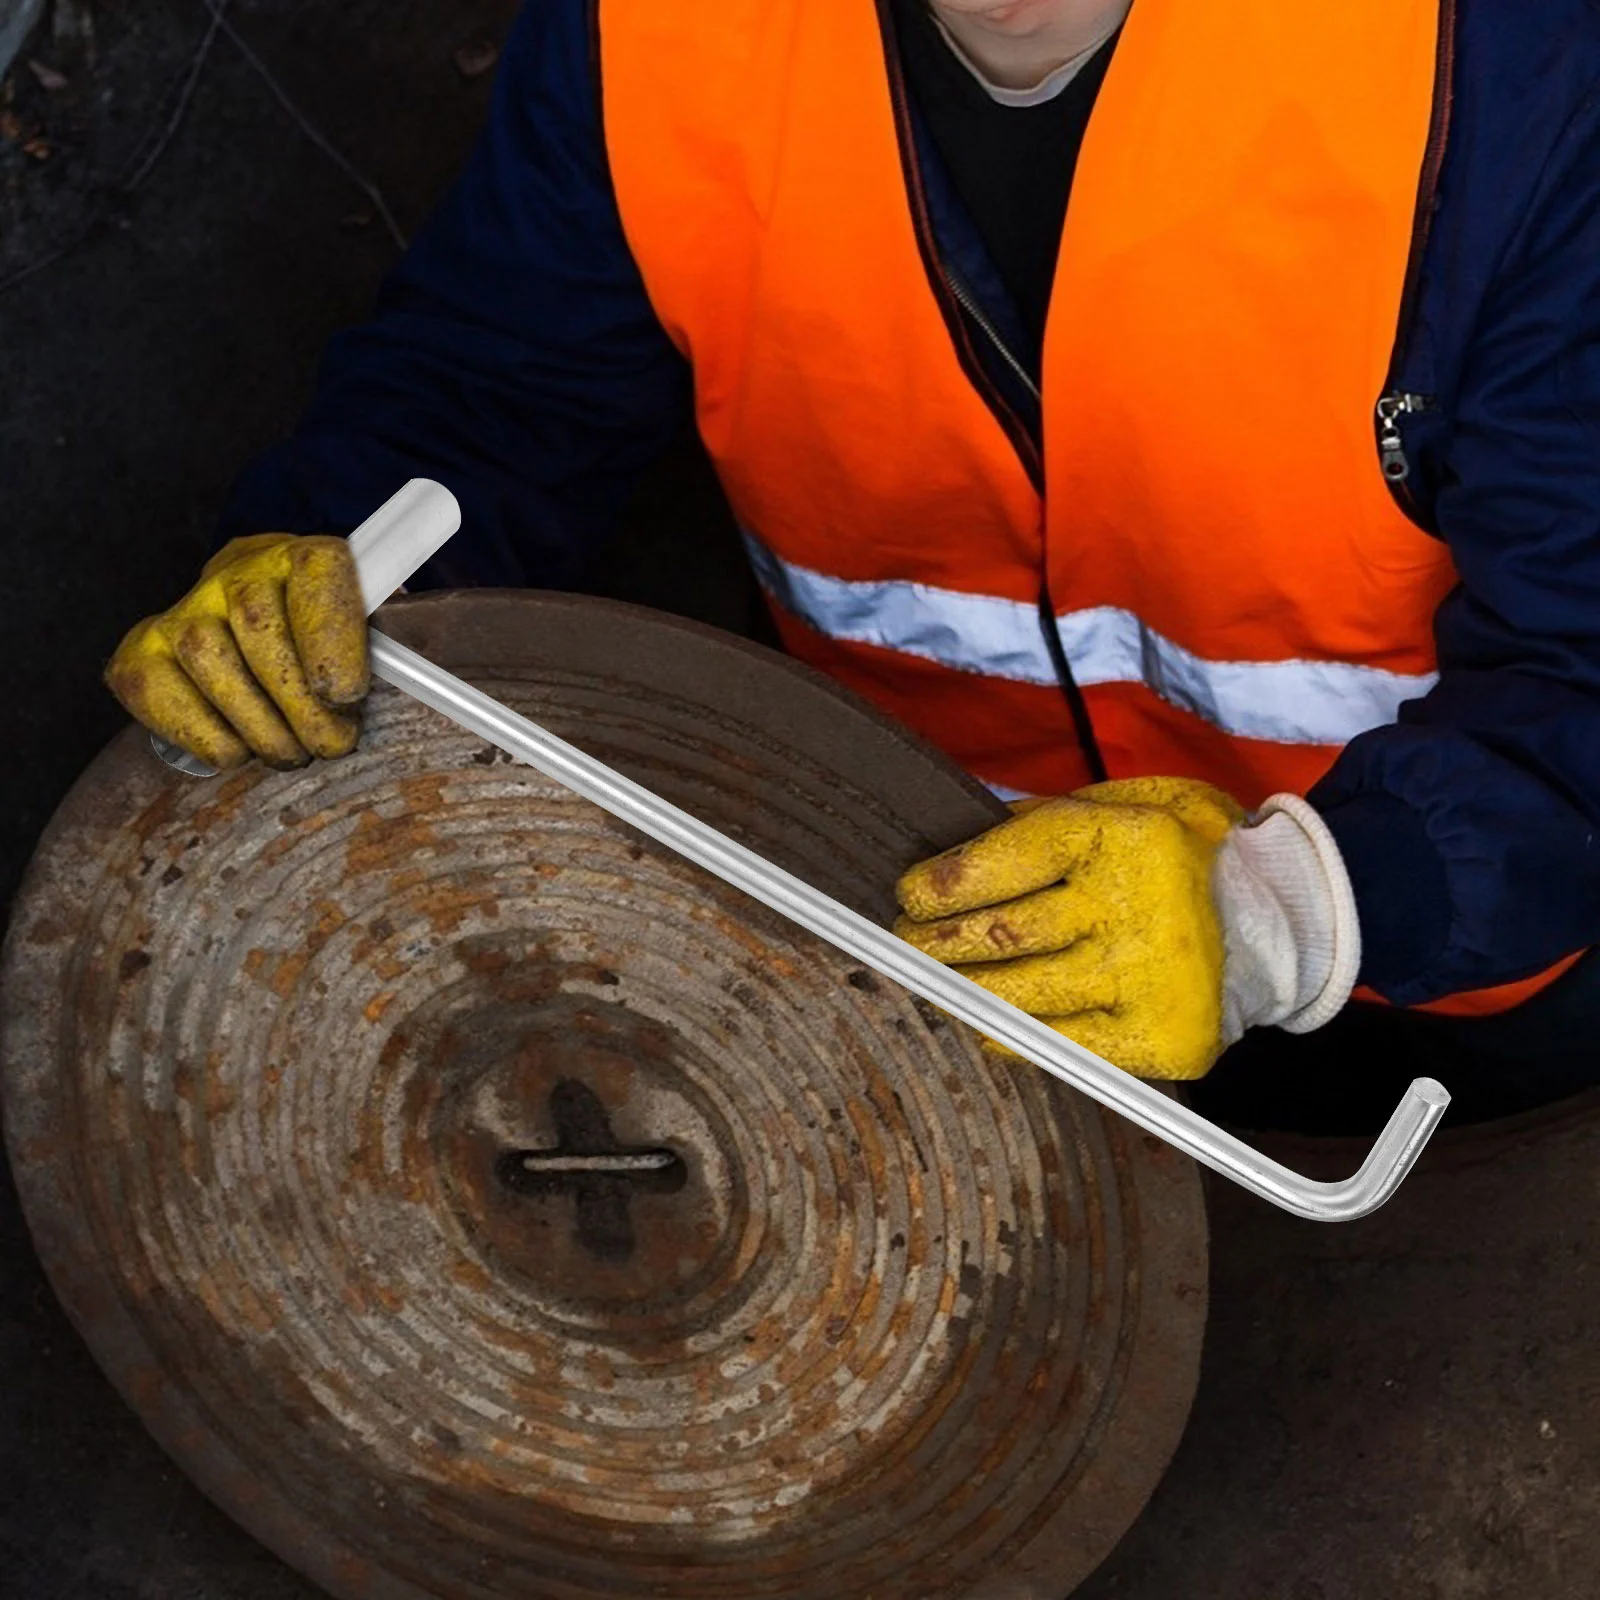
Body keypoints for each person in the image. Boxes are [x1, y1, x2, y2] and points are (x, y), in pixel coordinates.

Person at [105, 0, 1600, 1132]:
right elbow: (501, 385)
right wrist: (335, 556)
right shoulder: (664, 37)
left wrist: (1293, 910)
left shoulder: (1517, 78)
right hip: (910, 945)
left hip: (1441, 1014)